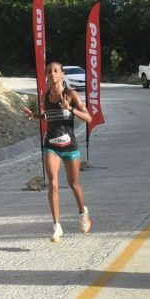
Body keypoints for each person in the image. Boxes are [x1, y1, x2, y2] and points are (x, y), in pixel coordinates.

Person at [21, 62, 92, 243]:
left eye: (55, 71)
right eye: (49, 71)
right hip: (51, 145)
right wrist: (35, 116)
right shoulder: (45, 97)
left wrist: (71, 109)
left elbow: (88, 117)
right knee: (53, 184)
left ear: (62, 74)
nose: (52, 74)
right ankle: (56, 226)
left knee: (73, 184)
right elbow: (49, 116)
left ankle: (83, 212)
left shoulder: (71, 94)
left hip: (70, 146)